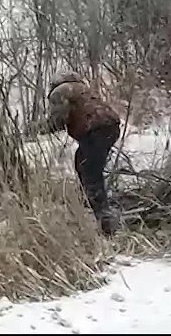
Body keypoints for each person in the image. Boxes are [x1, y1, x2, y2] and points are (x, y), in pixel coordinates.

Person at [26, 70, 122, 236]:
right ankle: (93, 203)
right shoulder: (84, 89)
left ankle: (105, 221)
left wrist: (35, 129)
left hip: (93, 130)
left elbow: (59, 119)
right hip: (111, 127)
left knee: (90, 173)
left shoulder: (60, 92)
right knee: (83, 162)